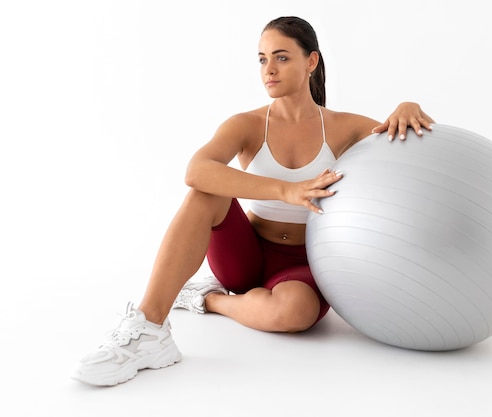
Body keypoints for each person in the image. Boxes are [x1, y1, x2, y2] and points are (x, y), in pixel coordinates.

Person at [71, 16, 435, 386]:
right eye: (262, 59)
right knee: (205, 194)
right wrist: (285, 190)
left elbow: (408, 162)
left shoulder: (345, 127)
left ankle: (207, 298)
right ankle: (149, 328)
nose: (269, 70)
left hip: (308, 263)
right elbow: (196, 170)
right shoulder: (246, 124)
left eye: (281, 58)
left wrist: (407, 105)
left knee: (295, 312)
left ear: (311, 62)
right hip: (245, 258)